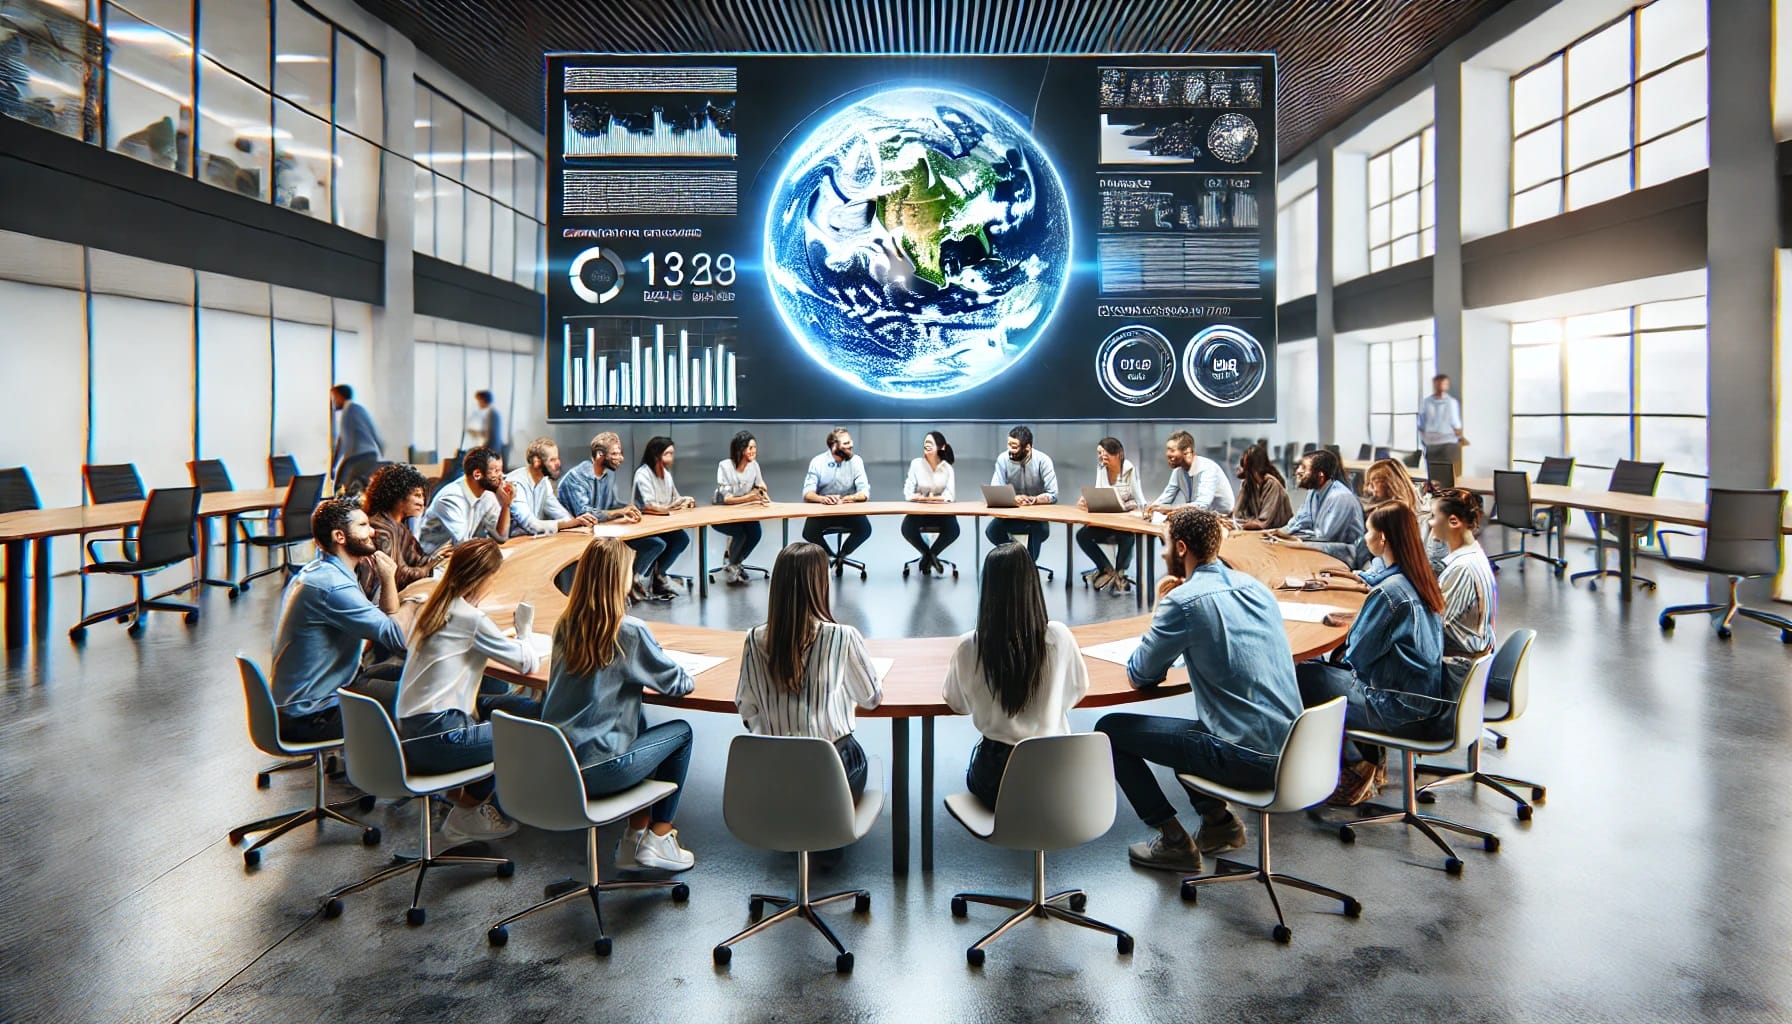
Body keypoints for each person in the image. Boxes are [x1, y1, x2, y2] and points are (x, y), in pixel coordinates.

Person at [1094, 507, 1302, 874]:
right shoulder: (1256, 587)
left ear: (1182, 548)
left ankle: (1174, 841)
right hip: (1295, 750)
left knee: (1111, 730)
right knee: (1191, 732)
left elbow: (1140, 674)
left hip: (1247, 759)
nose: (1161, 553)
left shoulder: (1184, 602)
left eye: (1164, 545)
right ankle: (1219, 824)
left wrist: (1162, 607)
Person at [540, 538, 698, 872]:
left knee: (633, 713)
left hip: (559, 764)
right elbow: (679, 683)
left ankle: (633, 836)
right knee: (680, 733)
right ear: (618, 578)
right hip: (601, 769)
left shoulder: (566, 624)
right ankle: (660, 836)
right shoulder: (629, 631)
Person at [1294, 503, 1448, 806]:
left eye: (1368, 530)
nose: (1364, 536)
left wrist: (1353, 628)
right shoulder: (1417, 578)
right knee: (1317, 670)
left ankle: (1354, 766)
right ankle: (1359, 762)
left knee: (1300, 674)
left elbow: (1355, 659)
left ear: (1383, 539)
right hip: (1421, 700)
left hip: (1395, 707)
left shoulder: (1389, 594)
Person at [393, 538, 541, 843]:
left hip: (414, 730)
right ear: (484, 578)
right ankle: (471, 812)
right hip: (442, 737)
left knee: (529, 710)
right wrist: (524, 630)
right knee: (532, 732)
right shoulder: (470, 619)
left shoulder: (434, 606)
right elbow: (526, 663)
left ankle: (461, 797)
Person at [942, 544, 1090, 810]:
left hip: (996, 779)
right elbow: (1078, 688)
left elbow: (957, 704)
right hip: (1055, 773)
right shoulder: (1058, 637)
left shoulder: (970, 646)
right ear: (1032, 583)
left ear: (987, 588)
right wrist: (1049, 710)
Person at [735, 542, 882, 800]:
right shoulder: (842, 637)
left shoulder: (753, 639)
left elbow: (746, 707)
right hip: (832, 776)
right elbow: (871, 699)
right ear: (820, 585)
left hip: (775, 773)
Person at [269, 499, 408, 742]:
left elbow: (382, 621)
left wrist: (388, 581)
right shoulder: (333, 586)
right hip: (312, 715)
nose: (372, 531)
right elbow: (398, 637)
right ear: (340, 537)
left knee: (409, 674)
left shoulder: (321, 571)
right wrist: (390, 579)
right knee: (421, 697)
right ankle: (387, 772)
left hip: (314, 696)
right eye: (363, 525)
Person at [355, 462, 443, 602]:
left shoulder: (399, 527)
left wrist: (439, 558)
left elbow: (418, 559)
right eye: (417, 495)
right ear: (397, 495)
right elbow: (398, 575)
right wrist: (428, 568)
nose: (422, 502)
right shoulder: (381, 529)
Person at [1431, 488, 1497, 663]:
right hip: (1471, 658)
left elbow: (1436, 626)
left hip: (1456, 669)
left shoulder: (1462, 569)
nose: (1430, 523)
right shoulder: (1474, 555)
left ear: (1453, 521)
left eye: (1434, 516)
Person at [1271, 449, 1366, 567]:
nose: (1298, 471)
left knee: (1290, 548)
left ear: (1320, 476)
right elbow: (1301, 520)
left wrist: (1293, 538)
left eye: (1304, 468)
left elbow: (1324, 536)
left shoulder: (1340, 497)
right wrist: (1280, 532)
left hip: (1347, 553)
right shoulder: (1313, 492)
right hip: (1323, 544)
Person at [1074, 436, 1142, 592]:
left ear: (1116, 454)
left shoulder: (1128, 468)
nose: (1101, 457)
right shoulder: (1101, 467)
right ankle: (1106, 569)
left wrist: (1139, 510)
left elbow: (1137, 497)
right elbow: (1100, 491)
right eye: (1099, 453)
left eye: (1103, 453)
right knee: (1082, 535)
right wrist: (1088, 500)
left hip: (1124, 520)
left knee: (1128, 537)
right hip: (1105, 520)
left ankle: (1120, 573)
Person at [418, 446, 513, 556]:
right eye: (496, 471)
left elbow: (501, 537)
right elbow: (463, 544)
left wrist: (506, 504)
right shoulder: (450, 499)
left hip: (457, 557)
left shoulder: (486, 495)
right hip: (432, 563)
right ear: (477, 474)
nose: (502, 476)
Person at [632, 436, 695, 600]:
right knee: (657, 544)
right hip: (644, 527)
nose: (671, 458)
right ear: (656, 455)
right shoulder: (642, 474)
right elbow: (648, 506)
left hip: (663, 525)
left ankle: (659, 576)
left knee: (681, 539)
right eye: (668, 453)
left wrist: (685, 501)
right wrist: (669, 508)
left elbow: (675, 499)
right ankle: (634, 578)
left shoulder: (666, 475)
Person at [985, 425, 1057, 561]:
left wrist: (1035, 499)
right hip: (1010, 515)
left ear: (1027, 447)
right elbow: (996, 489)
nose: (1010, 450)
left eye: (1015, 446)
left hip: (1036, 517)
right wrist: (1013, 498)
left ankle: (1029, 567)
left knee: (1037, 530)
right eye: (1008, 444)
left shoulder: (1043, 461)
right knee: (992, 531)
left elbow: (1053, 494)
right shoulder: (1003, 459)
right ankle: (1018, 558)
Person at [801, 428, 873, 565]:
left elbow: (864, 492)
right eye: (846, 443)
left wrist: (849, 498)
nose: (851, 445)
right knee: (809, 532)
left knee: (865, 529)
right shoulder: (818, 462)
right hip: (824, 511)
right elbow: (807, 493)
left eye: (850, 441)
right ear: (834, 446)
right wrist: (823, 499)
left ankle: (842, 556)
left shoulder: (856, 461)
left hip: (848, 510)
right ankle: (829, 555)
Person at [504, 437, 596, 537]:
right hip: (509, 546)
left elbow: (561, 514)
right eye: (552, 460)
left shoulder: (544, 481)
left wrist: (580, 521)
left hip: (530, 542)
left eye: (557, 458)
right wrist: (573, 523)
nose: (558, 463)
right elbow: (531, 525)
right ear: (537, 462)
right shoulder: (515, 484)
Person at [713, 430, 771, 585]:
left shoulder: (754, 466)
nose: (754, 451)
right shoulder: (725, 466)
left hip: (746, 513)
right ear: (740, 449)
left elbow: (760, 484)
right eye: (750, 448)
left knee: (755, 533)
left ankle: (735, 563)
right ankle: (733, 564)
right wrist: (750, 497)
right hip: (722, 515)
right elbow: (727, 499)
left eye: (755, 448)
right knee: (741, 534)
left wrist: (762, 492)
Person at [901, 430, 960, 576]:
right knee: (907, 528)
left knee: (953, 529)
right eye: (925, 443)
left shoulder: (947, 469)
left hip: (942, 512)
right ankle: (928, 555)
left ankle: (931, 554)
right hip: (920, 511)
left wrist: (924, 497)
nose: (926, 445)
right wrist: (929, 498)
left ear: (941, 447)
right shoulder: (916, 464)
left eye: (930, 443)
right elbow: (908, 492)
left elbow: (950, 495)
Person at [557, 431, 645, 526]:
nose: (621, 458)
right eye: (615, 454)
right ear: (599, 455)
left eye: (620, 453)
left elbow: (610, 506)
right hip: (574, 534)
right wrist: (620, 512)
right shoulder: (575, 478)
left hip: (600, 529)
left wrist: (629, 508)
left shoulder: (609, 473)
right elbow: (585, 514)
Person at [1143, 430, 1233, 517]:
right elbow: (1167, 496)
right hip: (1199, 517)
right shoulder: (1178, 471)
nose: (1168, 454)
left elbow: (1202, 505)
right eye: (1167, 450)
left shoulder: (1208, 468)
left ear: (1187, 451)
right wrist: (1152, 508)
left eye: (1172, 450)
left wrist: (1171, 509)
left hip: (1222, 518)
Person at [329, 384, 384, 495]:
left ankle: (342, 509)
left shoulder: (351, 409)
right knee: (356, 488)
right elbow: (342, 440)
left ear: (340, 395)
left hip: (359, 456)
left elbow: (342, 442)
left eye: (334, 397)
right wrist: (334, 464)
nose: (333, 402)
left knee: (342, 488)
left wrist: (334, 465)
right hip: (366, 455)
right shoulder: (351, 410)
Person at [1233, 443, 1292, 530]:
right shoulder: (1248, 484)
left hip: (1276, 531)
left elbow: (1263, 521)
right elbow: (1237, 513)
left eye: (1246, 465)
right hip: (1259, 529)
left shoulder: (1272, 484)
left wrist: (1243, 524)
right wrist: (1233, 519)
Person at [1418, 373, 1465, 478]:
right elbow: (1455, 423)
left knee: (1441, 473)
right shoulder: (1427, 402)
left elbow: (1455, 422)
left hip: (1444, 442)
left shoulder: (1450, 402)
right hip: (1435, 442)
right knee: (1440, 474)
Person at [470, 389, 505, 464]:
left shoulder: (491, 414)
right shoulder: (492, 413)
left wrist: (482, 449)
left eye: (479, 401)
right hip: (492, 448)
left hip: (491, 449)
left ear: (483, 400)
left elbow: (491, 435)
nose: (478, 404)